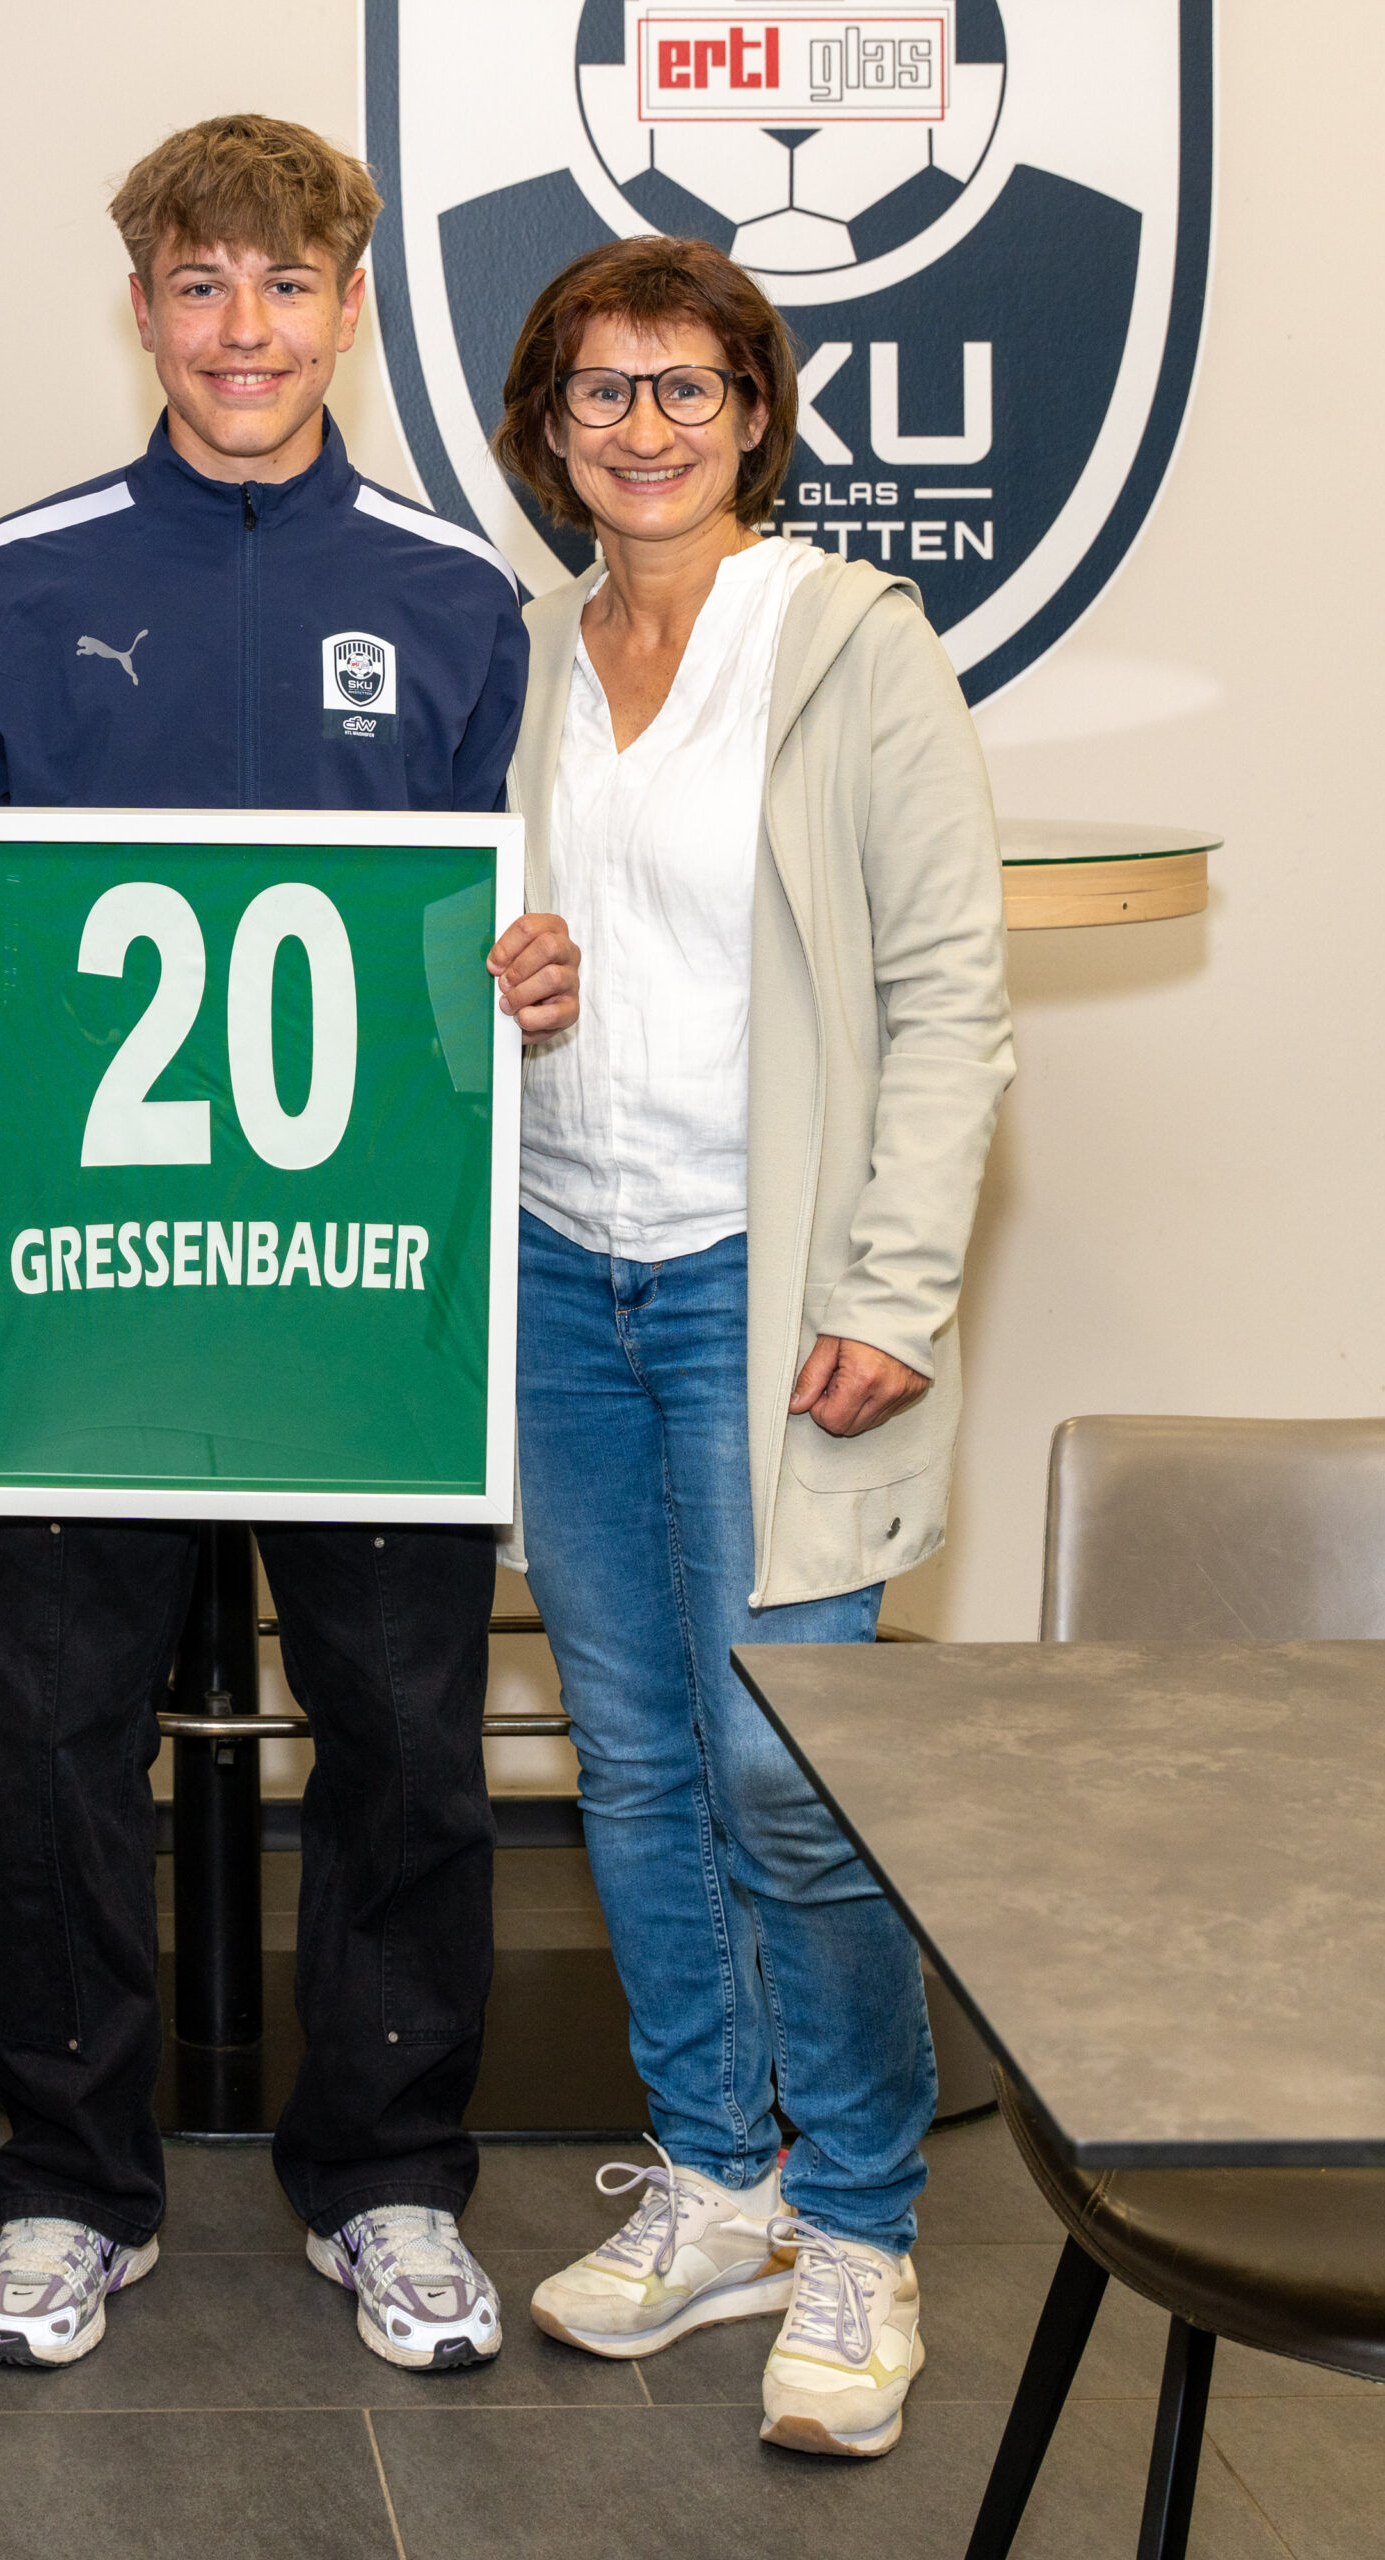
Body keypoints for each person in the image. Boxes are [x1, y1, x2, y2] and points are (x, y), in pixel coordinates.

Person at [0, 114, 582, 2377]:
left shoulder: (459, 590)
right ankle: (68, 2191)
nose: (242, 329)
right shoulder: (15, 571)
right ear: (141, 307)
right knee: (51, 1735)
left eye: (284, 285)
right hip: (87, 1280)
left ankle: (387, 2180)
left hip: (365, 1284)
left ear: (346, 309)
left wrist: (522, 972)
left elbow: (491, 911)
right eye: (198, 284)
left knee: (403, 1738)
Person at [482, 234, 1013, 2459]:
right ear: (548, 427)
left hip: (762, 1283)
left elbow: (948, 988)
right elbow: (469, 938)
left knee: (788, 1771)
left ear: (754, 414)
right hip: (557, 1264)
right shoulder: (521, 649)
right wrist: (495, 977)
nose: (644, 427)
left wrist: (890, 1285)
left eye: (685, 387)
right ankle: (717, 2184)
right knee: (628, 1757)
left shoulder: (848, 641)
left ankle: (860, 2227)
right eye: (600, 391)